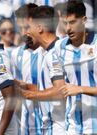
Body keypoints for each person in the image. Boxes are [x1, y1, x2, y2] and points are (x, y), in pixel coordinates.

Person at [19, 6, 66, 134]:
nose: (27, 32)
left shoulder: (55, 53)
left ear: (39, 28)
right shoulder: (44, 53)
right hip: (49, 126)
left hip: (59, 127)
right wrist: (21, 86)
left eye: (29, 27)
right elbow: (48, 87)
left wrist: (27, 95)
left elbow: (61, 91)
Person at [55, 1, 97, 134]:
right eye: (65, 23)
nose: (68, 28)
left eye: (72, 22)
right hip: (72, 127)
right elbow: (60, 86)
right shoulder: (60, 47)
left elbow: (75, 89)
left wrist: (80, 89)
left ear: (84, 20)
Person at [11, 3, 43, 135]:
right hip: (27, 127)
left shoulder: (54, 51)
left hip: (55, 125)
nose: (24, 33)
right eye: (20, 28)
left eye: (27, 27)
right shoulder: (16, 54)